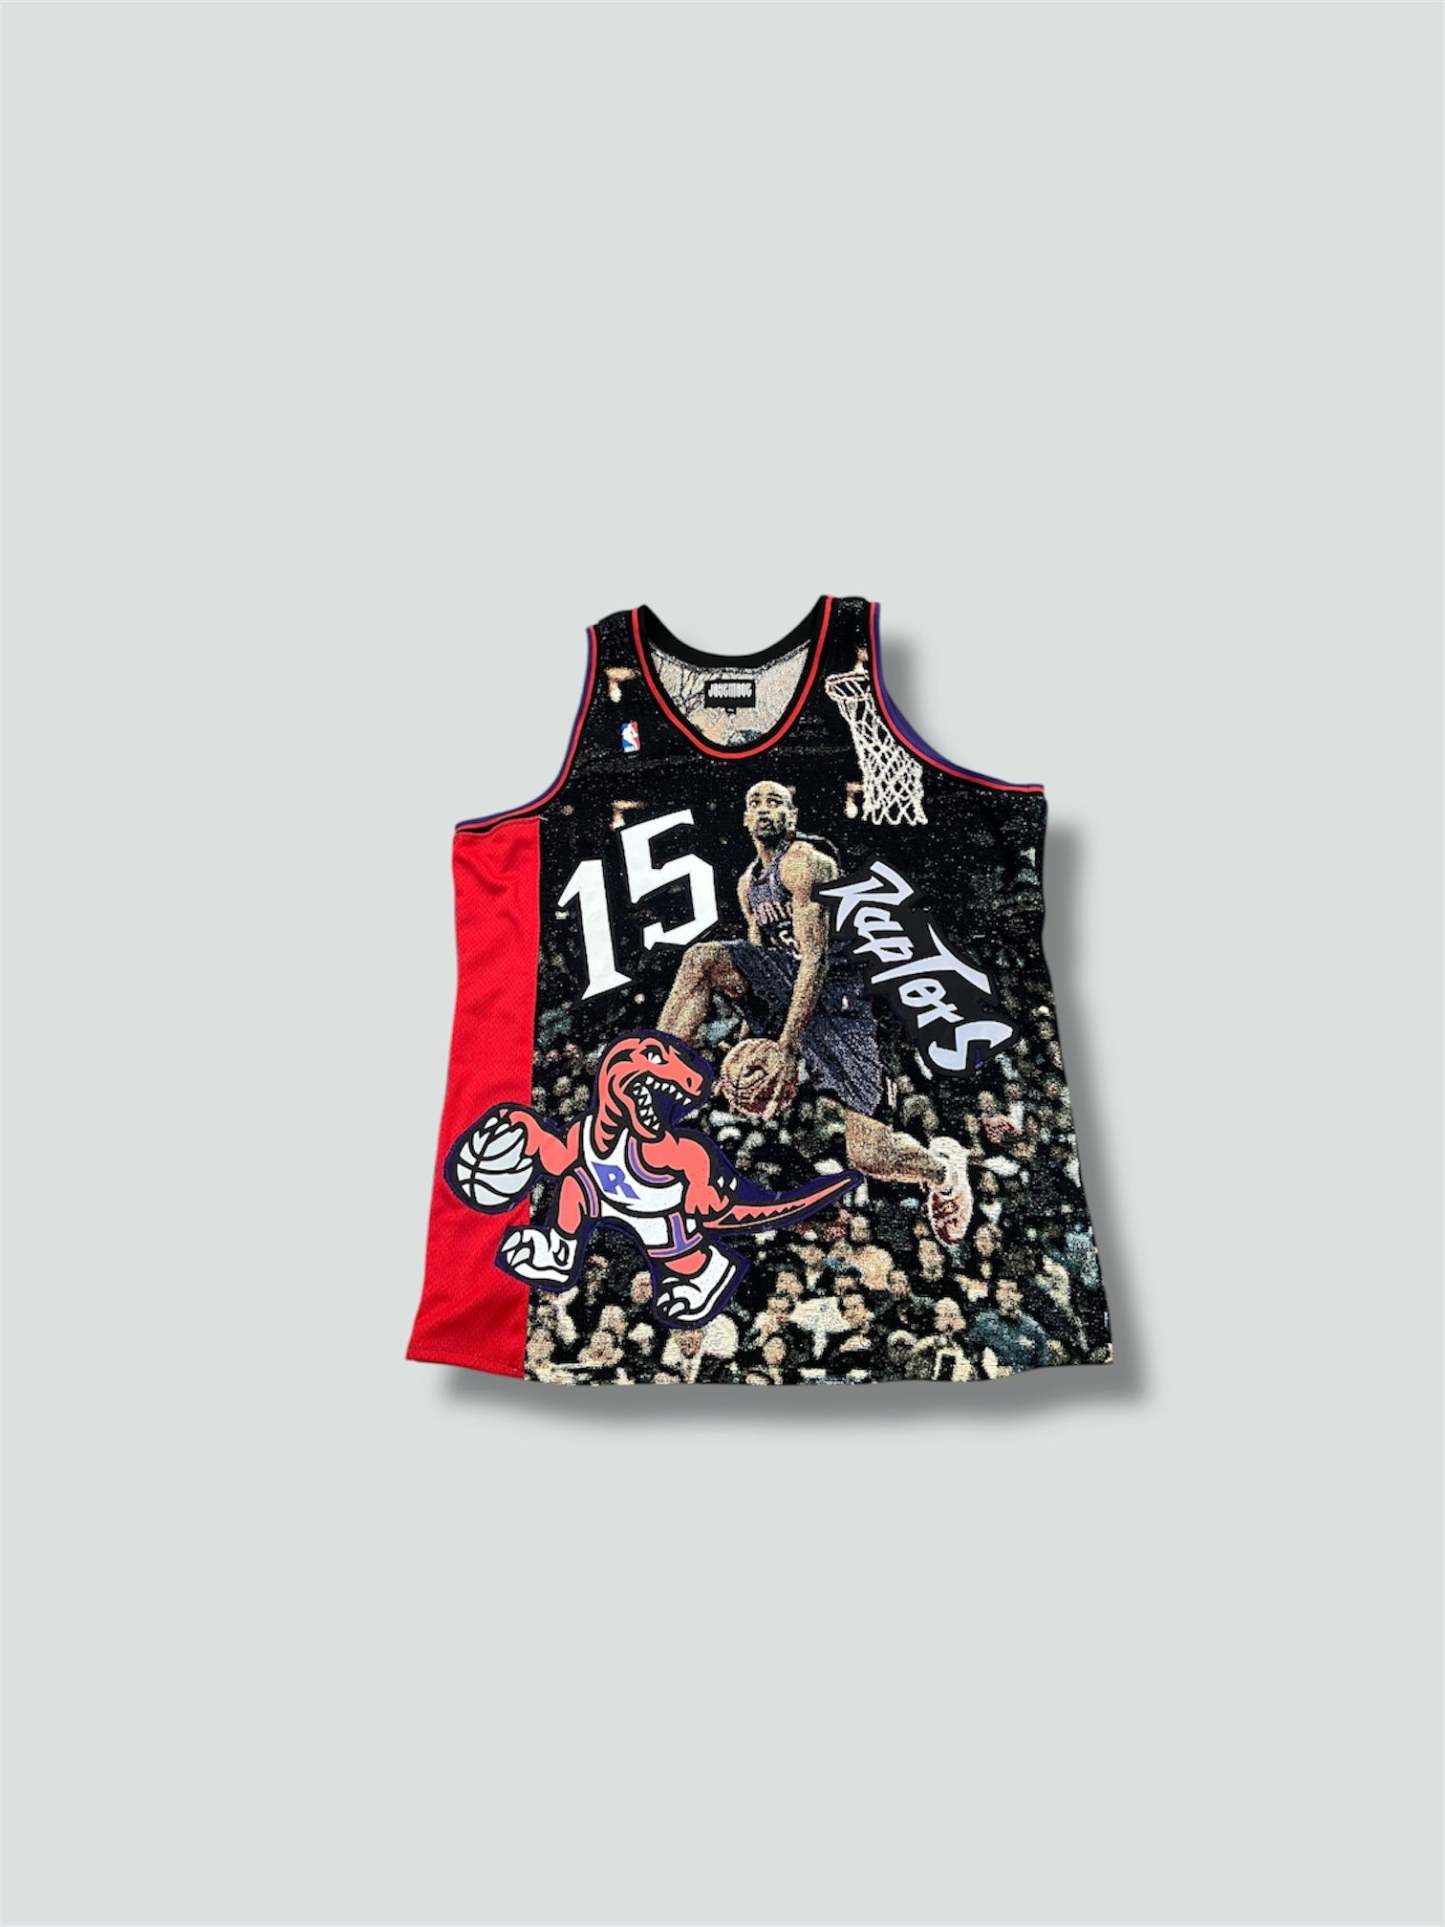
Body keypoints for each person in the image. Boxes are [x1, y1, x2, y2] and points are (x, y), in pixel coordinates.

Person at [658, 778, 972, 1244]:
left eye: (775, 801)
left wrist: (785, 1049)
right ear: (744, 818)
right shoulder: (748, 884)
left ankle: (943, 1170)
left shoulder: (805, 862)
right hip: (790, 986)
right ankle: (651, 1075)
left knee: (870, 1155)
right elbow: (758, 961)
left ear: (793, 817)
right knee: (702, 959)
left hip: (842, 1003)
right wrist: (750, 1039)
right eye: (754, 802)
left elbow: (815, 960)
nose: (764, 808)